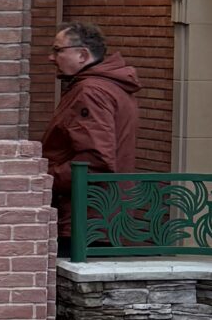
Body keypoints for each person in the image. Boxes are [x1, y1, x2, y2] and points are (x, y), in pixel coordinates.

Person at [41, 21, 141, 214]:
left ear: (83, 55)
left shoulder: (91, 92)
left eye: (58, 50)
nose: (51, 57)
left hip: (86, 212)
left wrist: (44, 178)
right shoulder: (108, 87)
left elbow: (95, 161)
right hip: (105, 208)